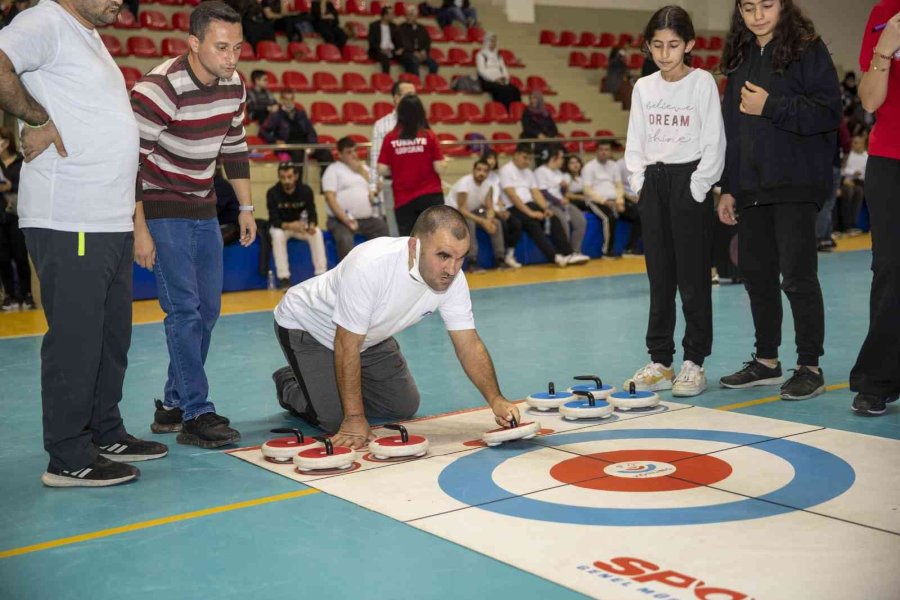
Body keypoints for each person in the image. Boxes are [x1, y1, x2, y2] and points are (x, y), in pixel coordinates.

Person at [0, 0, 167, 487]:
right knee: (76, 340)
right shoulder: (45, 20)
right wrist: (33, 119)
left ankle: (104, 431)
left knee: (110, 338)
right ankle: (69, 455)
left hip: (107, 219)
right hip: (69, 215)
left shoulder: (87, 35)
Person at [271, 205, 523, 447]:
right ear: (414, 246)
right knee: (334, 420)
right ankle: (290, 382)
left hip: (369, 334)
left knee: (402, 406)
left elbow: (468, 343)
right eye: (443, 255)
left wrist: (495, 399)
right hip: (308, 328)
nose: (452, 269)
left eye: (460, 258)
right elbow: (345, 344)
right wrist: (355, 419)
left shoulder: (453, 278)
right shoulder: (370, 264)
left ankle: (332, 383)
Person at [132, 1, 255, 448]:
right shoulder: (159, 89)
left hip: (203, 205)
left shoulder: (234, 85)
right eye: (222, 48)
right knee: (183, 310)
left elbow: (235, 147)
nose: (231, 58)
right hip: (160, 205)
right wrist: (139, 229)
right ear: (193, 43)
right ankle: (196, 413)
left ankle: (171, 403)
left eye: (238, 48)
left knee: (208, 311)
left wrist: (245, 208)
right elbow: (129, 162)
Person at [717, 0, 841, 400]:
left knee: (799, 277)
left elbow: (828, 111)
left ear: (784, 4)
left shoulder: (808, 47)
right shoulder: (740, 53)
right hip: (751, 187)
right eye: (748, 6)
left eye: (766, 4)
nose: (757, 14)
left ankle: (810, 365)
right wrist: (729, 185)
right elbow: (731, 128)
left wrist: (770, 105)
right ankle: (767, 361)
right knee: (757, 276)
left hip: (795, 183)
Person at [624, 5, 726, 397]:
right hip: (655, 182)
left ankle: (693, 361)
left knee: (694, 277)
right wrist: (640, 182)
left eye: (673, 45)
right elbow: (635, 142)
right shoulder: (643, 88)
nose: (665, 53)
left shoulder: (702, 83)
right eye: (657, 45)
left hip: (689, 182)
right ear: (648, 46)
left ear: (690, 45)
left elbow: (714, 141)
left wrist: (699, 186)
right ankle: (660, 360)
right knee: (660, 275)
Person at [849, 1, 900, 416]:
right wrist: (885, 49)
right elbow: (869, 101)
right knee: (890, 267)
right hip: (891, 159)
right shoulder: (885, 12)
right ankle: (878, 378)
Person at [500, 143, 589, 267]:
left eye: (530, 159)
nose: (527, 162)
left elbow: (536, 193)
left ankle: (568, 253)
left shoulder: (528, 172)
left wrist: (545, 208)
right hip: (513, 206)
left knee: (553, 218)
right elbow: (512, 196)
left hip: (529, 203)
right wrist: (531, 213)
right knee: (533, 224)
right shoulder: (506, 170)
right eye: (525, 158)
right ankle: (554, 257)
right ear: (516, 155)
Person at [377, 94, 446, 236]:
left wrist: (398, 166)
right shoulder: (428, 136)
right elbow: (439, 167)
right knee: (435, 239)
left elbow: (382, 169)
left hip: (403, 199)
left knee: (409, 244)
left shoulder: (390, 138)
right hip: (431, 195)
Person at [324, 137, 389, 260]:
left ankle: (382, 270)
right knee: (345, 239)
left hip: (366, 219)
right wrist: (346, 220)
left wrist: (361, 171)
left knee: (383, 230)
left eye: (355, 151)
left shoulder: (363, 168)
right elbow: (330, 197)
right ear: (340, 154)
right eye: (349, 152)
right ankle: (347, 276)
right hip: (340, 220)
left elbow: (379, 186)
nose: (354, 155)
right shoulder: (333, 169)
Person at [446, 159, 513, 272]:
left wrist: (489, 219)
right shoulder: (464, 183)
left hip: (472, 212)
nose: (481, 173)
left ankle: (500, 259)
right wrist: (483, 221)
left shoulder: (488, 185)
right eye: (479, 169)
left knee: (496, 223)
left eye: (485, 171)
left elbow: (489, 207)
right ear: (473, 170)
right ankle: (472, 262)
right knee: (469, 223)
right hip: (453, 213)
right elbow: (462, 210)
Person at [369, 81, 416, 236]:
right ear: (396, 98)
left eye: (414, 95)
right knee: (396, 235)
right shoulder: (382, 125)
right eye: (408, 95)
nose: (412, 99)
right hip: (391, 185)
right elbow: (376, 157)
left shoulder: (419, 123)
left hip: (416, 186)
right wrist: (372, 186)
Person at [267, 162, 326, 286]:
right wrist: (290, 225)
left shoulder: (306, 191)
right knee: (276, 235)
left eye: (289, 177)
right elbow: (273, 220)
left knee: (317, 233)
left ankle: (321, 274)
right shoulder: (272, 193)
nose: (286, 181)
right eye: (283, 178)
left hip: (301, 227)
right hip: (284, 228)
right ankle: (284, 277)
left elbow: (312, 212)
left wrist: (311, 225)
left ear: (296, 176)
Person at [0, 126, 33, 310]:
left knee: (21, 256)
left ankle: (27, 294)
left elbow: (27, 184)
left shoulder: (20, 161)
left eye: (3, 140)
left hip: (17, 216)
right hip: (0, 215)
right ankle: (10, 296)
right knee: (3, 257)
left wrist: (11, 186)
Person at [535, 148, 587, 256]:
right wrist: (558, 201)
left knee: (581, 221)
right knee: (563, 222)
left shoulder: (558, 172)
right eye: (561, 158)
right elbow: (543, 191)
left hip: (562, 202)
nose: (563, 160)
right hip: (549, 204)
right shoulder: (540, 171)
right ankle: (565, 252)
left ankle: (575, 251)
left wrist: (564, 187)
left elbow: (561, 192)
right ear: (554, 158)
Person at [582, 140, 625, 257]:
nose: (603, 152)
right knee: (609, 218)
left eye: (606, 150)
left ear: (610, 152)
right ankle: (607, 251)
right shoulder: (589, 167)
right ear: (596, 151)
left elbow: (619, 185)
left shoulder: (614, 165)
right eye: (601, 150)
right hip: (595, 201)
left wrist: (620, 201)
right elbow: (587, 190)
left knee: (637, 213)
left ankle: (632, 248)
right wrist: (604, 201)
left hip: (614, 200)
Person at [480, 148, 522, 267]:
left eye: (494, 158)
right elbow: (482, 199)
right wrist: (495, 212)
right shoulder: (480, 175)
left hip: (497, 209)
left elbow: (498, 197)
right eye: (489, 158)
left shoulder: (496, 177)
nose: (492, 161)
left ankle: (510, 253)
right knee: (501, 224)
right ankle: (500, 257)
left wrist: (502, 209)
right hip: (485, 210)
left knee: (516, 223)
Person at [259, 89, 319, 164]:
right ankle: (298, 176)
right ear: (281, 100)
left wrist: (312, 144)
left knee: (325, 153)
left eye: (291, 99)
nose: (289, 102)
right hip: (288, 144)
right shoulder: (276, 116)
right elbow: (262, 131)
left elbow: (310, 131)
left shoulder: (301, 114)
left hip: (304, 143)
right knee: (298, 154)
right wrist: (275, 140)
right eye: (286, 99)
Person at [476, 33, 521, 109]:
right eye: (491, 41)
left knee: (514, 89)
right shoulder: (480, 55)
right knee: (503, 90)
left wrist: (505, 78)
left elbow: (503, 68)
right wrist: (494, 79)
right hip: (487, 81)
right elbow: (481, 71)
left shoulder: (498, 55)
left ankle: (516, 111)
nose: (493, 43)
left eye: (494, 41)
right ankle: (504, 110)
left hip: (500, 80)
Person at [837, 134, 869, 234]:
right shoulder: (848, 155)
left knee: (859, 191)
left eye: (856, 143)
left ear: (862, 144)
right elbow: (841, 170)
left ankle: (852, 224)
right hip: (845, 181)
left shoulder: (866, 156)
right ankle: (845, 225)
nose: (853, 145)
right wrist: (851, 174)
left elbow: (866, 174)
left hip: (859, 182)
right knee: (848, 191)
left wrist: (855, 178)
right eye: (852, 142)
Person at [520, 90, 560, 165]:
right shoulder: (527, 111)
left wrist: (553, 135)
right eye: (531, 98)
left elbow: (553, 127)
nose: (532, 100)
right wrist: (538, 134)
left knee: (559, 147)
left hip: (547, 137)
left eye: (534, 98)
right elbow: (527, 127)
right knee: (543, 147)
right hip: (534, 137)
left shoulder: (546, 112)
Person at [397, 5, 438, 75]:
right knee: (414, 61)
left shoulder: (422, 28)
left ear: (416, 16)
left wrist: (424, 51)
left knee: (434, 64)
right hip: (407, 53)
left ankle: (431, 83)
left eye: (410, 15)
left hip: (420, 53)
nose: (408, 17)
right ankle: (416, 83)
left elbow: (427, 42)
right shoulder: (401, 28)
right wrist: (414, 52)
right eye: (407, 15)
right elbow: (404, 43)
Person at [616, 152, 643, 254]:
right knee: (639, 214)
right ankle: (631, 247)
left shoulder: (643, 161)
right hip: (625, 197)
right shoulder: (619, 164)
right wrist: (629, 197)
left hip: (641, 195)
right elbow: (617, 185)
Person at [367, 7, 400, 74]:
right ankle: (386, 79)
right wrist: (381, 50)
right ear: (385, 15)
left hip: (391, 50)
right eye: (391, 14)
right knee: (385, 58)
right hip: (378, 51)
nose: (393, 16)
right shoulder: (374, 26)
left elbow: (397, 41)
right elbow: (372, 42)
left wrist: (399, 49)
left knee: (407, 57)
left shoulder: (394, 26)